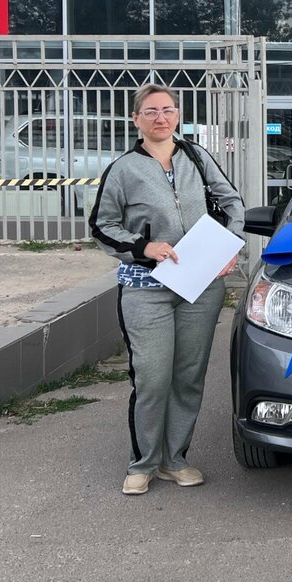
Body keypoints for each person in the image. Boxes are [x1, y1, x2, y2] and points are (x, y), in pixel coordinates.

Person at [90, 83, 245, 496]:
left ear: (177, 115)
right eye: (151, 111)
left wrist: (229, 246)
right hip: (147, 288)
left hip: (201, 286)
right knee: (153, 377)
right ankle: (142, 463)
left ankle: (174, 460)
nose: (161, 118)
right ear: (136, 119)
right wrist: (143, 247)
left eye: (168, 110)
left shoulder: (197, 156)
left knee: (188, 376)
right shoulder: (123, 169)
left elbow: (232, 202)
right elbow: (102, 226)